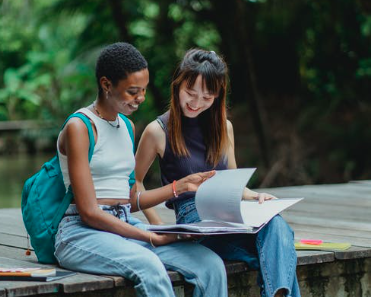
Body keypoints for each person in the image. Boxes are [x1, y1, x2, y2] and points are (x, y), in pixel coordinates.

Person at [54, 42, 228, 297]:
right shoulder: (80, 127)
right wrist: (149, 236)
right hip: (80, 233)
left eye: (144, 90)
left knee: (211, 265)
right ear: (106, 85)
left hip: (123, 223)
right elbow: (89, 212)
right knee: (150, 267)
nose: (141, 98)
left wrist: (178, 187)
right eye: (132, 91)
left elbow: (130, 201)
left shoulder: (126, 127)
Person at [135, 49, 301, 297]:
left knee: (276, 226)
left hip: (231, 215)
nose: (196, 103)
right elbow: (135, 182)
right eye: (190, 93)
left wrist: (256, 197)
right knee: (279, 252)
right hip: (196, 222)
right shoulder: (157, 131)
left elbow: (233, 183)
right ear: (178, 84)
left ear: (218, 95)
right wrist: (159, 226)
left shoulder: (224, 127)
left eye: (207, 97)